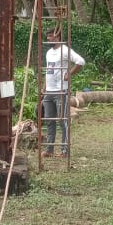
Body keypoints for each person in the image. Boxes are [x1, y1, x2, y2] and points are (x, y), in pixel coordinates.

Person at [40, 25, 85, 158]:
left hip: (61, 91)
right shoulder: (49, 53)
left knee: (62, 120)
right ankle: (49, 149)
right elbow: (48, 71)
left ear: (57, 36)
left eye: (50, 36)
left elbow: (80, 61)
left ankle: (64, 150)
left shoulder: (65, 50)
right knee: (49, 120)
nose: (48, 38)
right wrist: (43, 89)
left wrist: (69, 74)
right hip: (49, 92)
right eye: (47, 36)